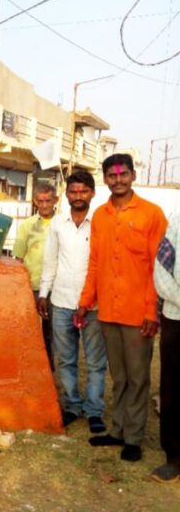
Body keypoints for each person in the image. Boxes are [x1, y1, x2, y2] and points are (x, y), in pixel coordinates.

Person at [76, 153, 167, 462]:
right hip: (108, 311)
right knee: (119, 376)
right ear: (105, 179)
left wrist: (151, 311)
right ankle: (117, 430)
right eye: (112, 175)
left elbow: (159, 268)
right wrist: (85, 301)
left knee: (138, 378)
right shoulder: (100, 216)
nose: (118, 180)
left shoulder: (152, 214)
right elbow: (95, 263)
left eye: (123, 174)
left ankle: (134, 438)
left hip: (138, 313)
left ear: (132, 176)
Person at [38, 171, 107, 433]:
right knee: (66, 360)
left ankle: (94, 410)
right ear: (66, 194)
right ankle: (72, 406)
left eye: (83, 191)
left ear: (92, 193)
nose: (78, 196)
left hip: (93, 305)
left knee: (95, 362)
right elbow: (50, 261)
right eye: (73, 191)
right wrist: (44, 294)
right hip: (61, 301)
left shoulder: (101, 223)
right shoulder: (58, 223)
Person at [14, 182, 58, 371]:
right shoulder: (27, 226)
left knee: (51, 332)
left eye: (48, 200)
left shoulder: (63, 223)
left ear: (56, 200)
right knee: (28, 329)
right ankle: (27, 369)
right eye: (40, 201)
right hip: (31, 285)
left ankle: (48, 370)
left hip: (56, 287)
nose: (45, 205)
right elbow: (18, 257)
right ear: (34, 201)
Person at [151, 211, 180, 482]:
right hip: (176, 316)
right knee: (173, 388)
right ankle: (174, 458)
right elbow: (161, 270)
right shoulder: (177, 221)